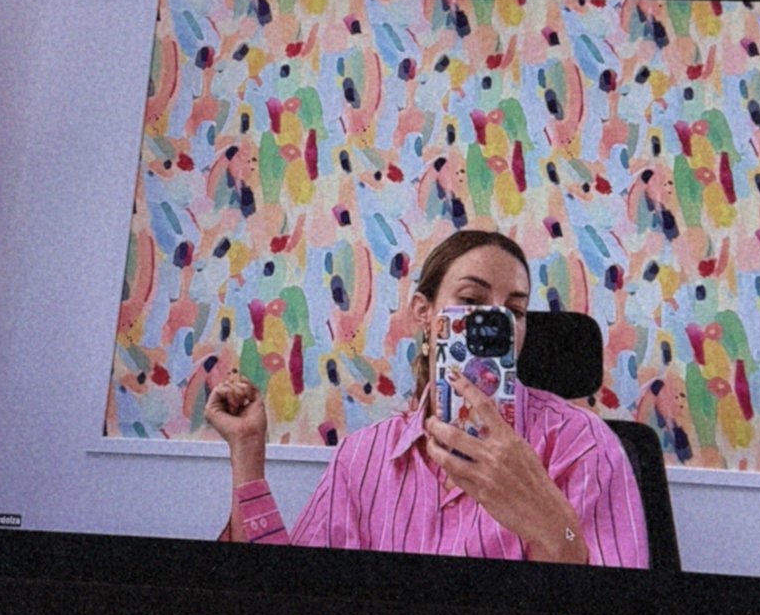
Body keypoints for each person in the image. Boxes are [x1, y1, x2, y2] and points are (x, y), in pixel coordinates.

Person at [204, 226, 647, 566]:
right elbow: (287, 601)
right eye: (472, 299)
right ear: (425, 313)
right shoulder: (362, 458)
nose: (495, 322)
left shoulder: (583, 444)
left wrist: (553, 525)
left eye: (514, 310)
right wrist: (247, 452)